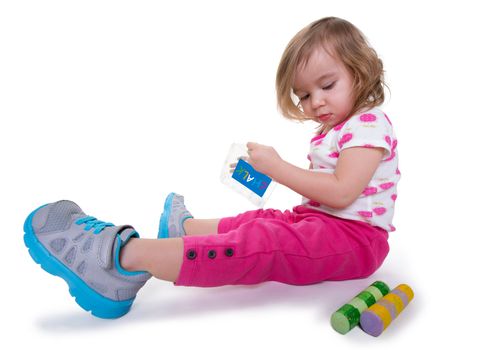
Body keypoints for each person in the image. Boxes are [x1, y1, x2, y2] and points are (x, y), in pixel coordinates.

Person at [23, 17, 400, 319]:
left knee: (266, 244)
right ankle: (185, 230)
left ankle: (121, 261)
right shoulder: (339, 130)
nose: (315, 102)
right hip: (326, 225)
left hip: (356, 242)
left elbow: (342, 192)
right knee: (268, 220)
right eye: (303, 95)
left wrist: (278, 167)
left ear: (360, 71)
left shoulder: (368, 123)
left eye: (327, 85)